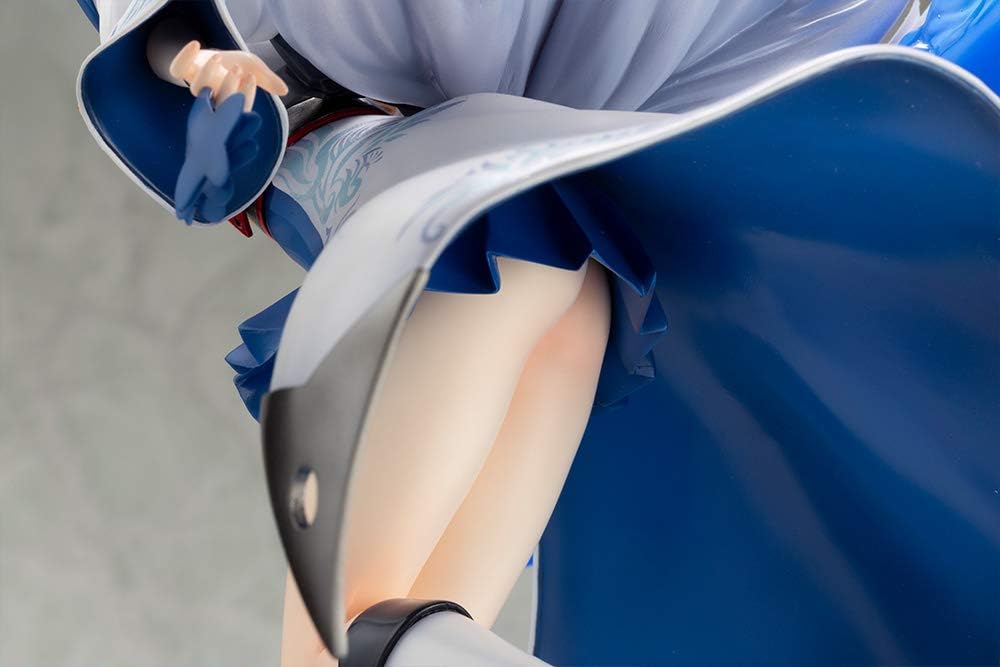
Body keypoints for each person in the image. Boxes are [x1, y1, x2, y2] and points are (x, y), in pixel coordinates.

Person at [76, 1, 999, 665]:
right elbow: (152, 31)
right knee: (508, 247)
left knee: (582, 303)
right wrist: (202, 66)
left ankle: (404, 628)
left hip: (486, 137)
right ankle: (351, 627)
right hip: (350, 140)